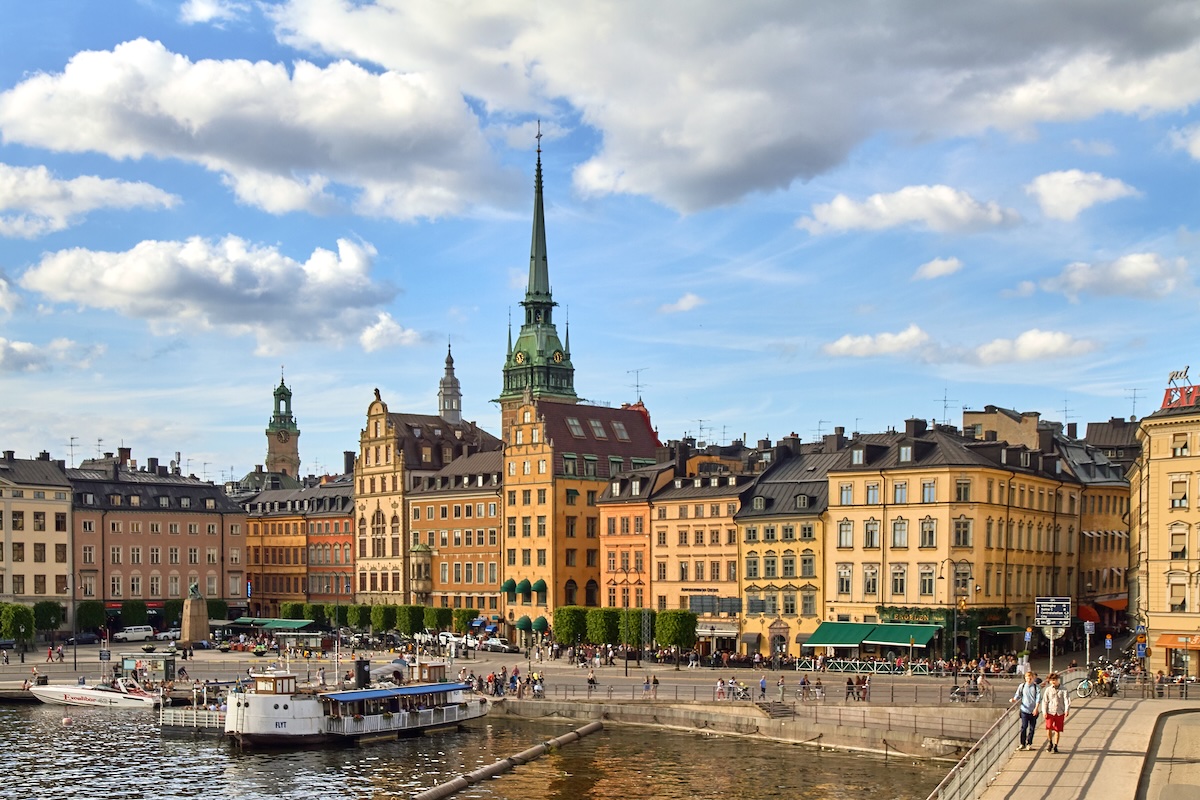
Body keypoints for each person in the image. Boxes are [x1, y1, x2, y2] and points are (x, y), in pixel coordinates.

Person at [1039, 672, 1070, 753]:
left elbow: (1066, 700)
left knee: (1057, 729)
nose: (1053, 682)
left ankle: (1056, 745)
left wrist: (1066, 710)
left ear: (1057, 680)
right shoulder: (1048, 690)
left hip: (1059, 711)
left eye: (1055, 680)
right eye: (1051, 680)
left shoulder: (1063, 689)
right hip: (1050, 711)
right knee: (1048, 727)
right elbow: (1045, 701)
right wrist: (1044, 711)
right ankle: (1050, 743)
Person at [1013, 671, 1042, 751]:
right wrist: (1014, 699)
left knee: (1032, 728)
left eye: (1030, 678)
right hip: (1024, 709)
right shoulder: (1022, 686)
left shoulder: (1036, 687)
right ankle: (1022, 743)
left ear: (1033, 678)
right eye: (1027, 678)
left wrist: (1036, 708)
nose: (1029, 680)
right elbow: (1017, 695)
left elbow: (1038, 698)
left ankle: (1029, 743)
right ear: (1025, 678)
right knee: (1024, 726)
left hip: (1033, 710)